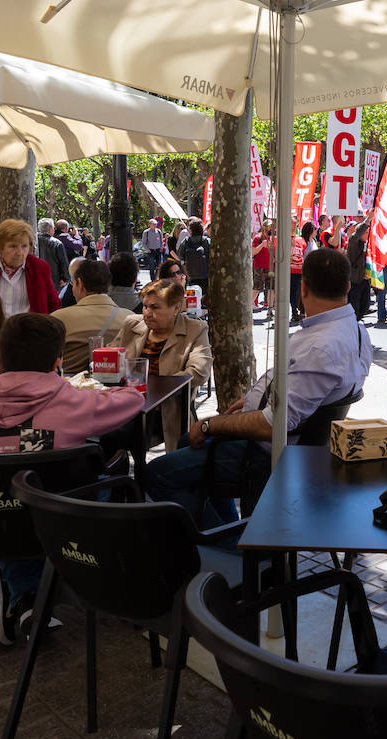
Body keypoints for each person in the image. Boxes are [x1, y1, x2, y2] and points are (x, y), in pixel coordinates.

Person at [142, 249, 372, 527]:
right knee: (183, 443)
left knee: (155, 474)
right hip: (287, 443)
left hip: (269, 456)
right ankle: (228, 527)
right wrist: (252, 399)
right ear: (347, 287)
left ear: (304, 289)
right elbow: (294, 394)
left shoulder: (320, 346)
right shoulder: (357, 331)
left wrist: (211, 425)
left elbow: (272, 424)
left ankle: (229, 546)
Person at [0, 313, 145, 642]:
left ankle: (25, 598)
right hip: (63, 520)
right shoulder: (71, 401)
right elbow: (134, 400)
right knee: (106, 472)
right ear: (57, 361)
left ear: (2, 353)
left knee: (20, 490)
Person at [110, 279, 213, 446]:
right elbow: (111, 357)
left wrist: (155, 390)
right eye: (145, 306)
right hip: (124, 407)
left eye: (155, 307)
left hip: (165, 412)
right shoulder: (132, 324)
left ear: (177, 308)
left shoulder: (195, 330)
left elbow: (199, 372)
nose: (147, 313)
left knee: (116, 436)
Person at [0, 218, 61, 316]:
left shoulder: (40, 267)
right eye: (13, 246)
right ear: (0, 247)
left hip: (30, 329)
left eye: (24, 246)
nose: (20, 253)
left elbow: (53, 305)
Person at [52, 260, 131, 375]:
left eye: (73, 284)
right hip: (116, 387)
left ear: (80, 284)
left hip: (70, 388)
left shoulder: (58, 319)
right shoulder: (130, 318)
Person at [35, 218, 71, 290]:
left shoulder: (32, 241)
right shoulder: (57, 243)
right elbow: (63, 262)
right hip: (54, 280)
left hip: (36, 279)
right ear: (50, 229)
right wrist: (65, 278)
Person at [179, 218, 211, 298]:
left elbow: (181, 260)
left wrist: (187, 275)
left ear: (191, 230)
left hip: (190, 277)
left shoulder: (185, 242)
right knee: (203, 299)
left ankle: (193, 310)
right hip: (205, 276)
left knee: (192, 299)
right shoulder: (207, 241)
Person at [345, 222, 371, 318]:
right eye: (365, 232)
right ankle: (353, 326)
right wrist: (367, 220)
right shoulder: (353, 242)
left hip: (365, 279)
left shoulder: (367, 244)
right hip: (355, 280)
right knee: (354, 306)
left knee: (365, 305)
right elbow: (356, 235)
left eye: (368, 232)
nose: (367, 234)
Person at [252, 221, 272, 311]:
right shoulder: (257, 238)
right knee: (257, 288)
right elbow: (253, 252)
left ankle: (270, 309)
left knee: (271, 288)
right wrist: (262, 245)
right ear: (263, 227)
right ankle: (247, 308)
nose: (270, 228)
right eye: (268, 226)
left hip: (270, 266)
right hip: (259, 267)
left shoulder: (273, 238)